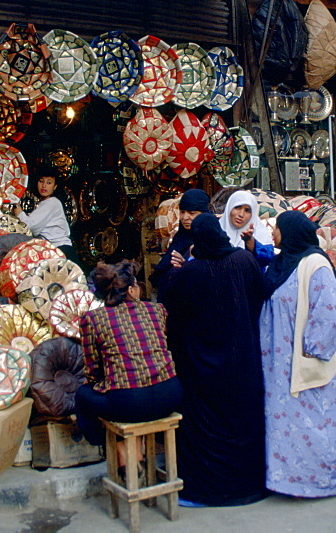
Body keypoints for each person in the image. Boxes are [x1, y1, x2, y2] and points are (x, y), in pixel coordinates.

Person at [160, 213, 267, 507]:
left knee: (205, 426)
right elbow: (259, 299)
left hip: (202, 366)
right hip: (243, 359)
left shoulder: (191, 273)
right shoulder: (245, 262)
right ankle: (247, 485)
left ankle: (206, 491)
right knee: (241, 422)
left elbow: (171, 312)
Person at [259, 210, 336, 497]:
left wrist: (313, 349)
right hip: (276, 362)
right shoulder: (280, 264)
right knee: (285, 421)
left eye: (278, 229)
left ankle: (323, 479)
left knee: (315, 420)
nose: (274, 234)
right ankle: (286, 480)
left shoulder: (315, 264)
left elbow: (328, 311)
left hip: (303, 360)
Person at [75, 261, 183, 463]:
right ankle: (134, 452)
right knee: (127, 393)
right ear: (132, 290)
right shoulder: (157, 310)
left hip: (129, 402)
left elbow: (93, 371)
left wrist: (101, 382)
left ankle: (121, 452)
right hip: (170, 394)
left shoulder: (93, 318)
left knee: (83, 394)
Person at [149, 189, 210, 293]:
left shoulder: (210, 240)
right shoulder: (180, 238)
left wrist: (186, 266)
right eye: (182, 212)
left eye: (192, 213)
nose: (185, 217)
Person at [16, 165, 77, 263]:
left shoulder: (52, 202)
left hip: (61, 250)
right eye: (41, 181)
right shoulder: (45, 203)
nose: (44, 185)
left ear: (55, 186)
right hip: (54, 251)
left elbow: (30, 226)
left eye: (49, 182)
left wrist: (16, 206)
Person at [219, 190, 275, 264]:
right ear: (229, 207)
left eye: (247, 210)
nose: (241, 214)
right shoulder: (216, 229)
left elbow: (268, 258)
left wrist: (251, 242)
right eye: (237, 207)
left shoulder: (259, 231)